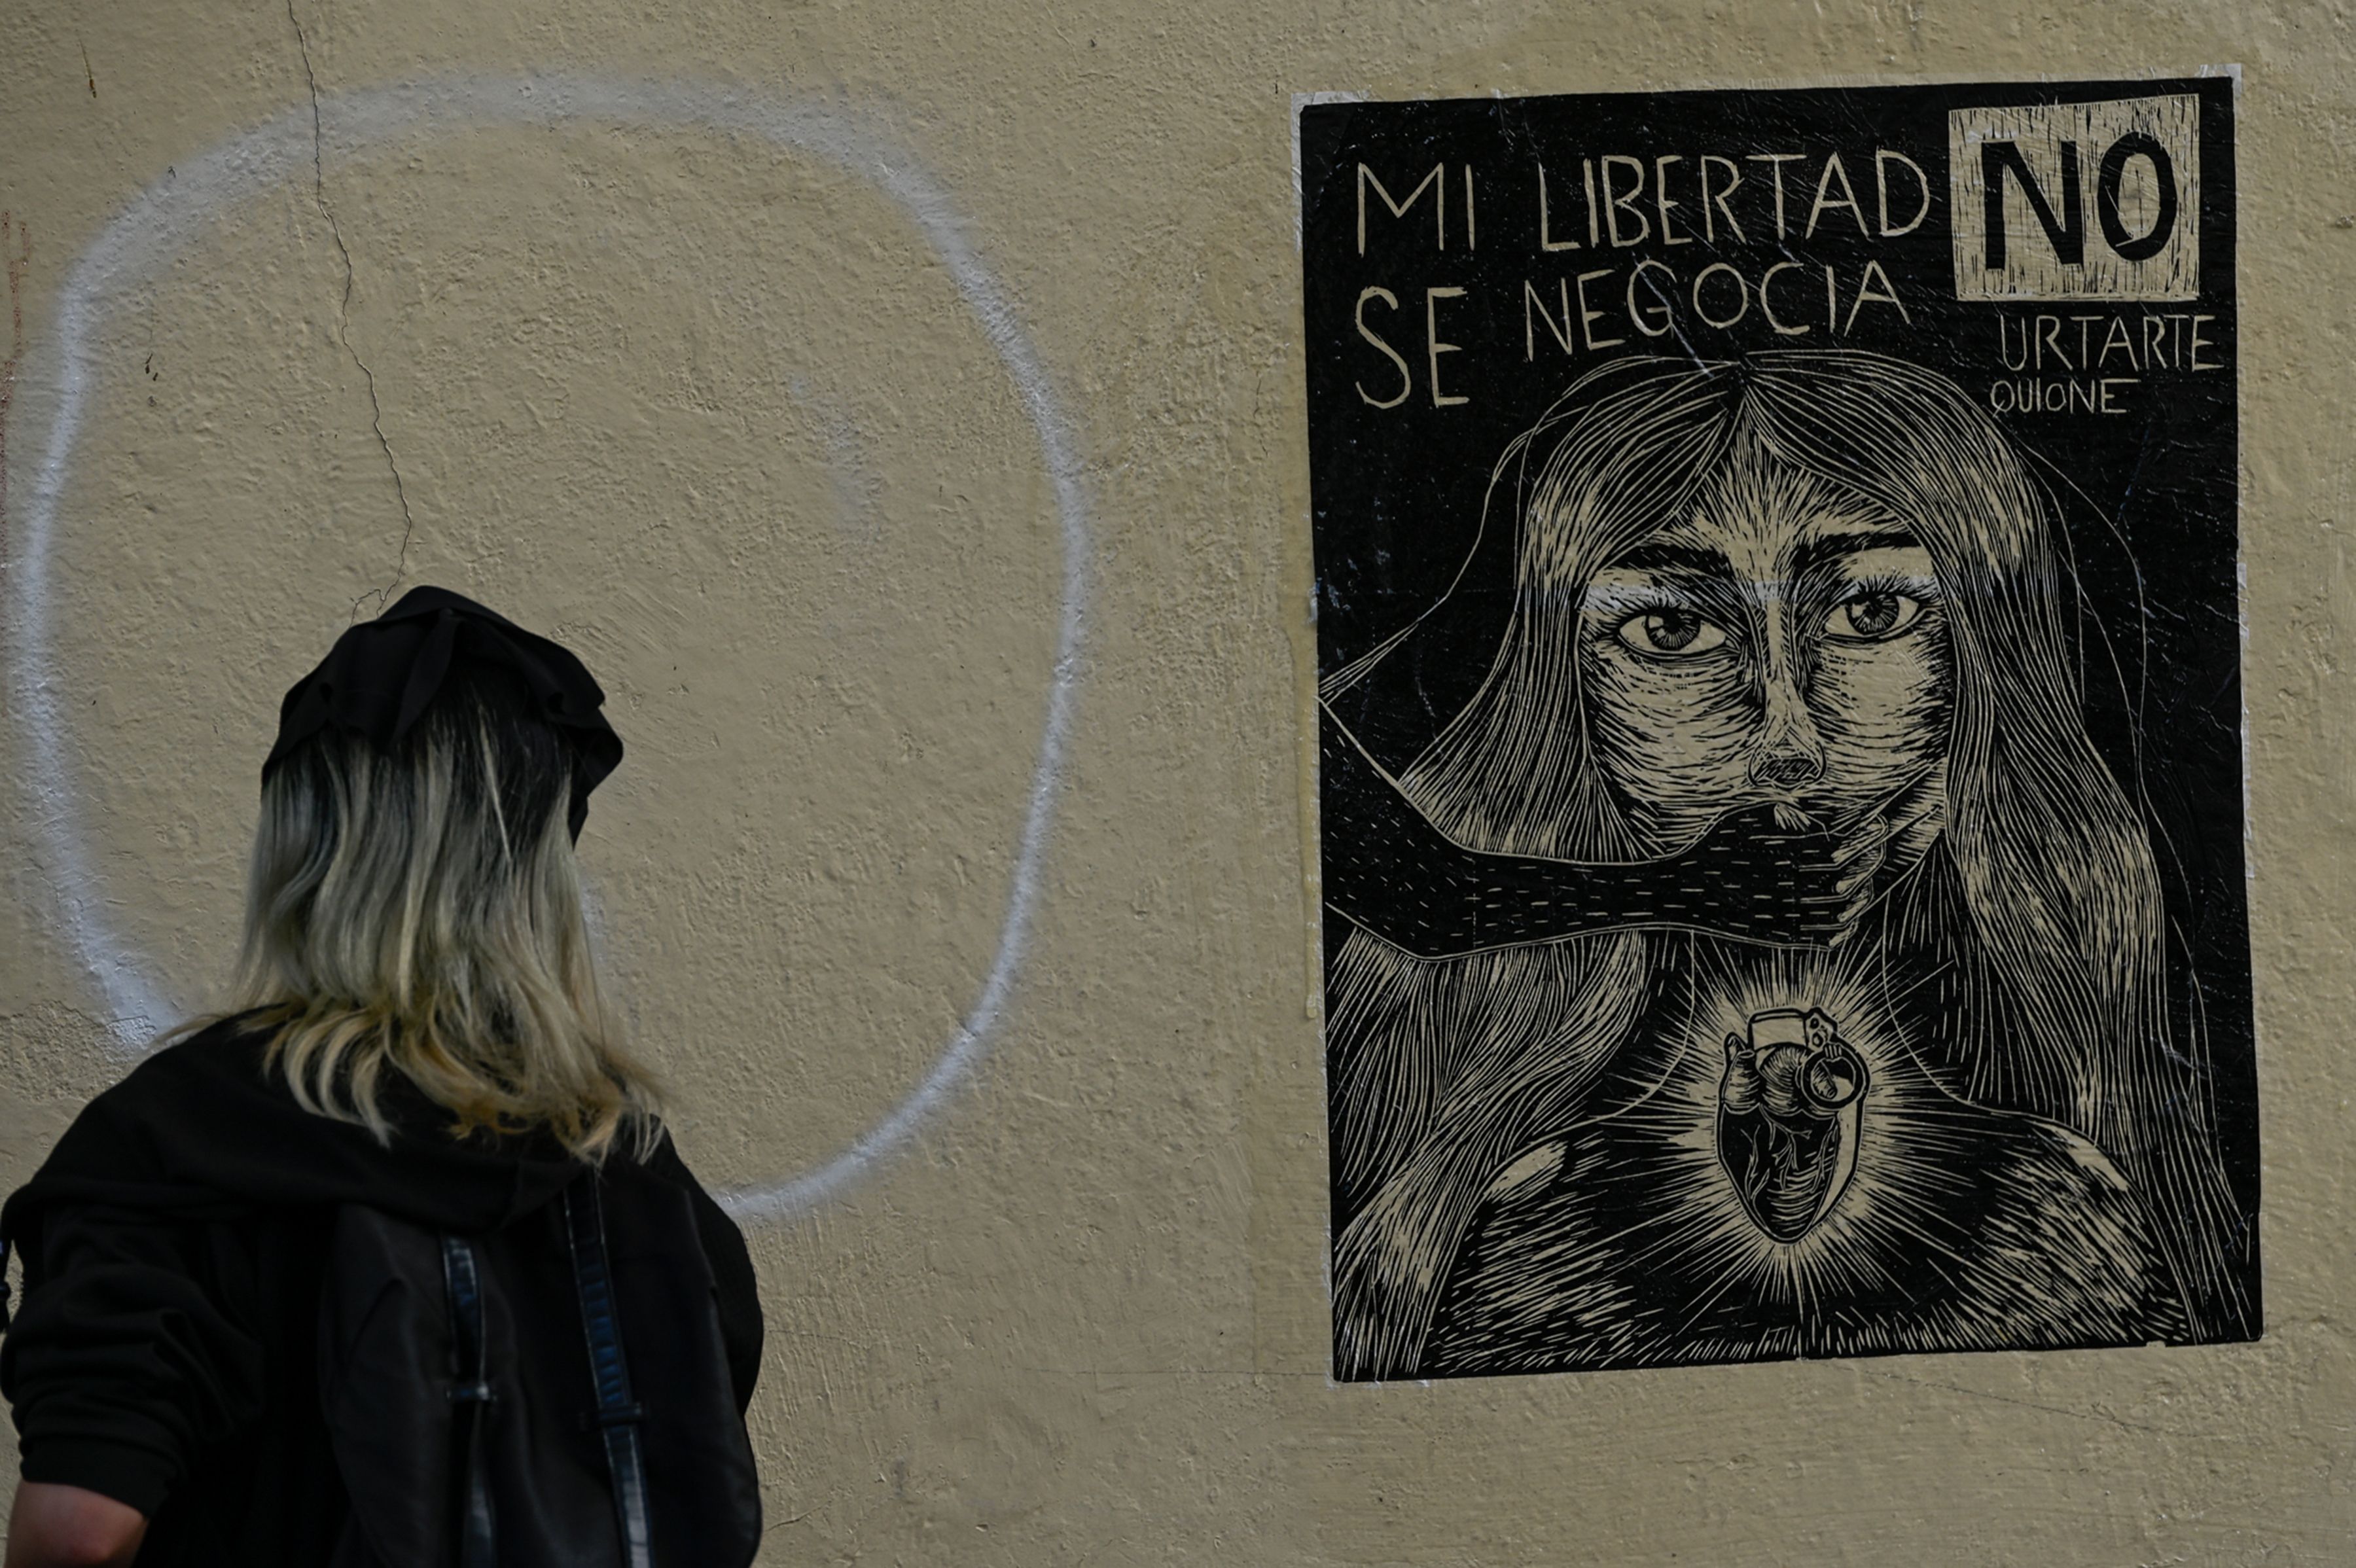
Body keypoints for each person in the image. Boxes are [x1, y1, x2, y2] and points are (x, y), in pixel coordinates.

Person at [1321, 351, 2252, 1378]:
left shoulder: (2088, 1159)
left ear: (1985, 655)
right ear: (1559, 687)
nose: (1789, 738)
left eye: (1870, 614)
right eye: (1672, 628)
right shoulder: (1459, 1172)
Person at [1, 588, 762, 1565]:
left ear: (307, 850)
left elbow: (80, 1532)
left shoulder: (182, 1143)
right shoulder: (640, 1179)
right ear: (540, 874)